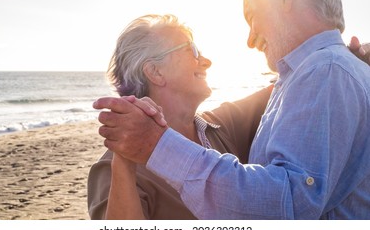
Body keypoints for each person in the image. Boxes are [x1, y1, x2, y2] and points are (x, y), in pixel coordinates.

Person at [93, 0, 370, 219]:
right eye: (192, 50)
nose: (250, 40)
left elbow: (291, 202)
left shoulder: (325, 72)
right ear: (154, 72)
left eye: (252, 16)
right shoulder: (310, 78)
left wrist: (338, 66)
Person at [87, 14, 272, 219]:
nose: (206, 62)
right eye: (191, 51)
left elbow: (285, 84)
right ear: (155, 72)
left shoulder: (220, 127)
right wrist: (124, 160)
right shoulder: (113, 167)